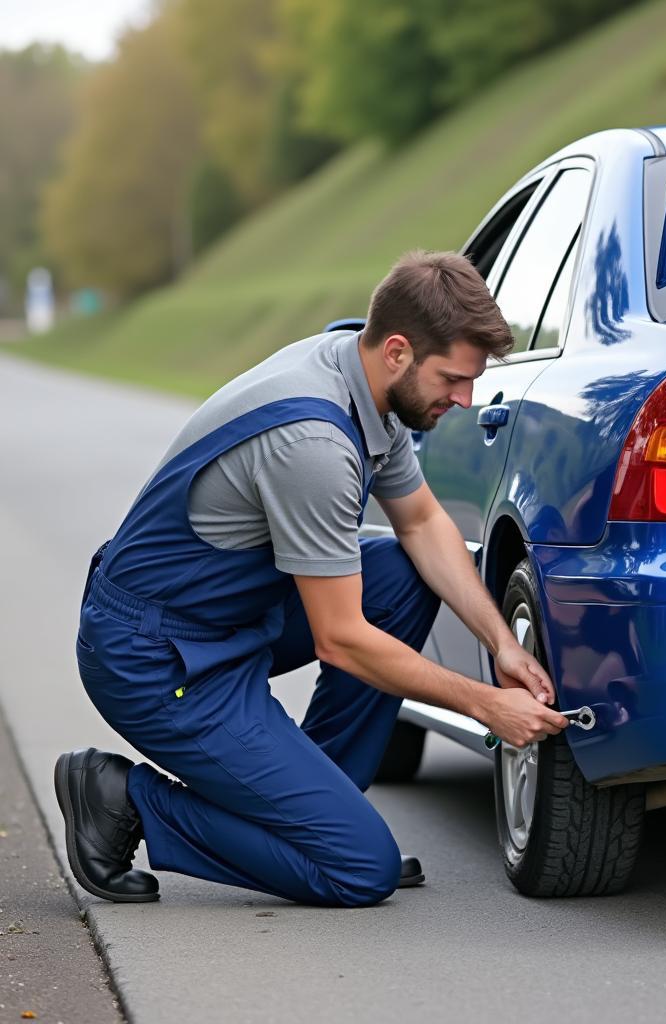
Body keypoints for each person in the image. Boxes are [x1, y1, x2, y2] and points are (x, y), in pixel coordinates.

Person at [55, 251, 568, 908]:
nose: (465, 400)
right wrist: (484, 702)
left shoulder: (358, 371)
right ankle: (126, 801)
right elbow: (342, 639)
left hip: (226, 620)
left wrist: (499, 640)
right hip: (155, 660)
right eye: (453, 379)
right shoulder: (313, 445)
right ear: (398, 351)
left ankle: (313, 816)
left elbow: (422, 523)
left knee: (400, 572)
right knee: (359, 870)